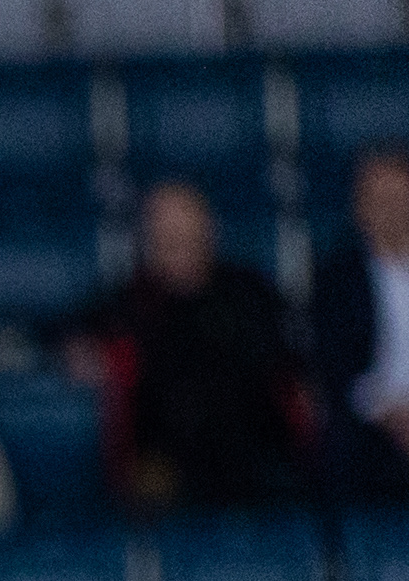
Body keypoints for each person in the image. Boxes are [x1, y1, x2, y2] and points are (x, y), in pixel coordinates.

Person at [57, 180, 309, 512]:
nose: (178, 246)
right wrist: (81, 352)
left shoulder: (250, 291)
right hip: (165, 459)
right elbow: (68, 336)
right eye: (166, 238)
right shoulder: (129, 301)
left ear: (208, 233)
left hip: (253, 449)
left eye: (187, 235)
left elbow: (290, 360)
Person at [308, 147, 409, 505]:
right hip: (372, 424)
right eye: (378, 199)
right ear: (359, 207)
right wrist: (389, 412)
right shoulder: (336, 278)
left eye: (398, 197)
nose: (390, 209)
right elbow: (333, 365)